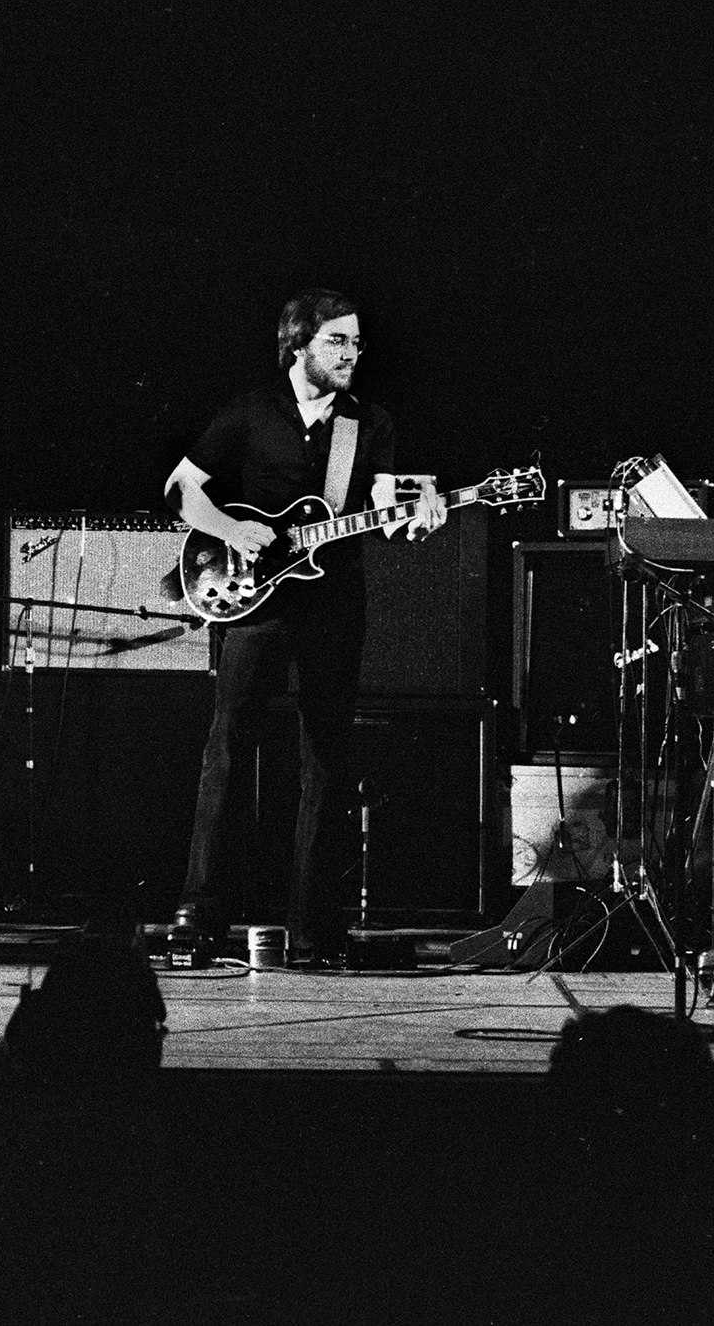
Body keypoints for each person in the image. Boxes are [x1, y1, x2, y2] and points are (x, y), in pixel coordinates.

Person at [164, 289, 443, 963]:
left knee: (326, 763)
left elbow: (383, 504)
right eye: (337, 342)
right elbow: (180, 488)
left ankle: (312, 928)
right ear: (299, 345)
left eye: (355, 343)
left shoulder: (368, 423)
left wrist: (417, 517)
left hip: (333, 604)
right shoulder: (252, 412)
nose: (351, 354)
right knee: (226, 755)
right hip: (251, 602)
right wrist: (232, 529)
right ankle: (199, 917)